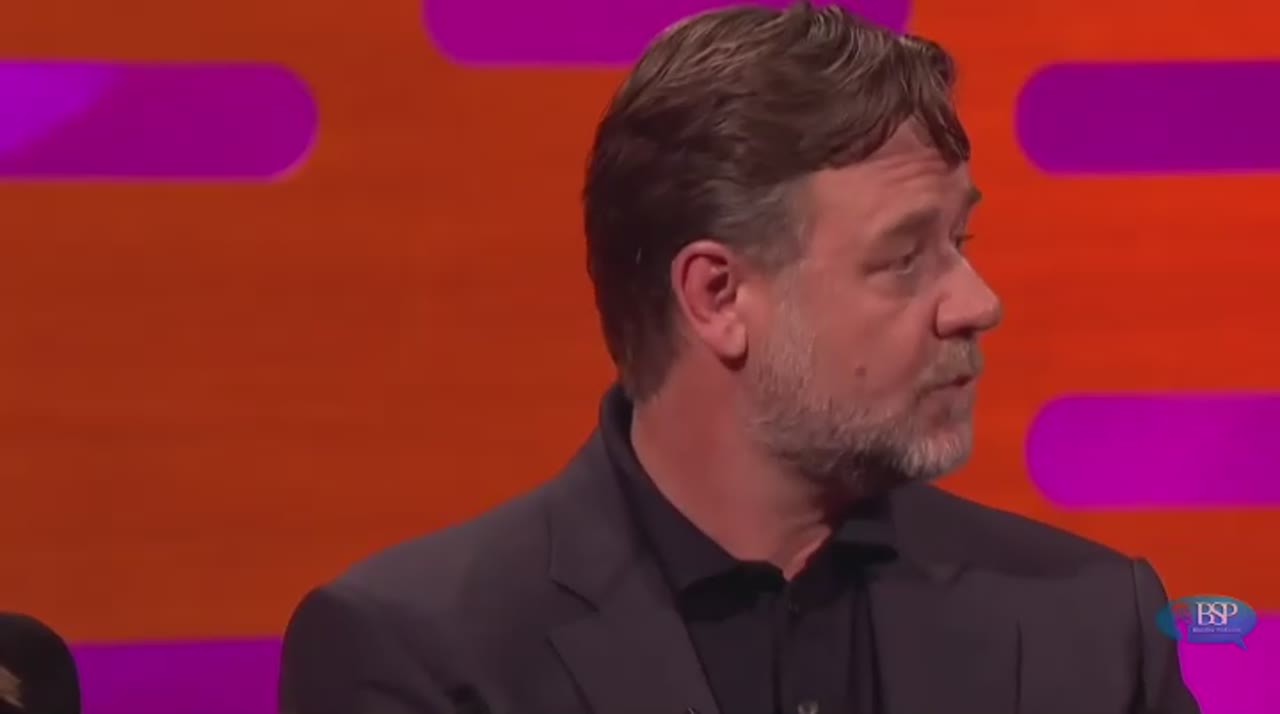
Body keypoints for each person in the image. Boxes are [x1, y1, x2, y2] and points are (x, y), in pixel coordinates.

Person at [278, 3, 1200, 713]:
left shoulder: (1093, 628)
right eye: (904, 258)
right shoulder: (425, 660)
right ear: (717, 297)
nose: (976, 303)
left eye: (959, 242)